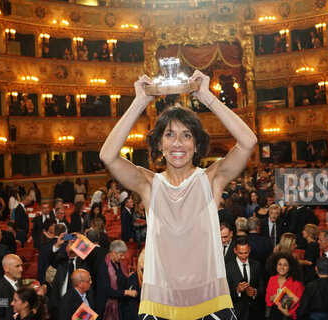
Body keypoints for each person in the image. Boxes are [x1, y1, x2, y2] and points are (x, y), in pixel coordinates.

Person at [99, 70, 257, 318]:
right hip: (160, 306)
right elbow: (108, 156)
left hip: (211, 303)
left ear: (196, 144)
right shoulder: (149, 184)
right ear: (160, 145)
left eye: (186, 135)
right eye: (169, 135)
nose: (177, 144)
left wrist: (206, 96)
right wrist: (139, 101)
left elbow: (248, 141)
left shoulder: (210, 179)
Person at [96, 240, 138, 319]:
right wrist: (126, 292)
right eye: (121, 255)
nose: (123, 258)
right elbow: (107, 291)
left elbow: (120, 280)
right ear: (113, 253)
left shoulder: (119, 264)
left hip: (120, 304)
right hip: (107, 306)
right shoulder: (104, 267)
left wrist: (129, 277)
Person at [225, 237, 265, 320]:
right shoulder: (228, 267)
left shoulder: (256, 265)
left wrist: (255, 292)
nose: (243, 256)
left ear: (249, 250)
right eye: (240, 253)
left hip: (255, 312)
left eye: (246, 253)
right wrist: (237, 290)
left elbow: (262, 286)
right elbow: (225, 292)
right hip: (237, 312)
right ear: (235, 251)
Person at [265, 252, 304, 320]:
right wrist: (272, 298)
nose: (281, 267)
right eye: (279, 264)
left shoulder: (296, 283)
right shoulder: (272, 279)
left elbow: (301, 304)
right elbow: (267, 299)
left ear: (290, 267)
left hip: (289, 316)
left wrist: (290, 313)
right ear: (276, 266)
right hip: (274, 314)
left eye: (285, 265)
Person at [0, 254, 24, 320]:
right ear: (6, 268)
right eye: (17, 266)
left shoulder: (19, 281)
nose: (21, 269)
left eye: (21, 265)